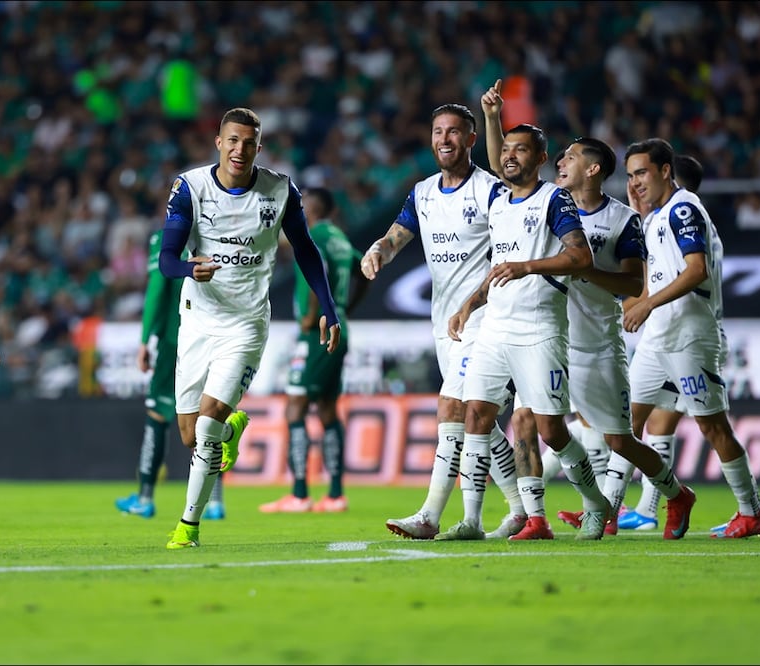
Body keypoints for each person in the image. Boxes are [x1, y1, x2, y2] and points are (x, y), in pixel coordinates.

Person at [481, 85, 697, 540]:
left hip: (595, 344)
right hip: (543, 337)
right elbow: (505, 166)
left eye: (571, 157)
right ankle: (536, 517)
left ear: (593, 169)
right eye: (558, 157)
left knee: (620, 440)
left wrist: (582, 271)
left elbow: (632, 284)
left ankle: (676, 494)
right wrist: (493, 119)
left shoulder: (621, 220)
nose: (561, 163)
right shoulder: (543, 203)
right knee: (524, 420)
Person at [158, 107, 342, 549]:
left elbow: (306, 251)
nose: (240, 149)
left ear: (260, 147)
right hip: (198, 321)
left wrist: (329, 308)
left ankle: (189, 526)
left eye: (249, 142)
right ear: (219, 143)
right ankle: (233, 428)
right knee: (188, 433)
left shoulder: (280, 191)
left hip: (245, 323)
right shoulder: (191, 187)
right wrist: (189, 269)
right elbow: (166, 260)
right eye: (233, 140)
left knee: (205, 426)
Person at [361, 102, 528, 540]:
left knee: (451, 407)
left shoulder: (491, 191)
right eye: (438, 131)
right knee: (481, 421)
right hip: (445, 325)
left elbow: (512, 250)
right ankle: (520, 508)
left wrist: (475, 303)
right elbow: (397, 236)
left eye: (455, 132)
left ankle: (431, 514)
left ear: (471, 140)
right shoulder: (423, 193)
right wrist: (378, 250)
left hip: (487, 319)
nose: (445, 139)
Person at [443, 119, 612, 542]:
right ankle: (471, 521)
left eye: (520, 150)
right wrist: (470, 303)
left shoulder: (555, 200)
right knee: (476, 416)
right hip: (496, 327)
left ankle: (595, 502)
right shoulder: (498, 202)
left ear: (540, 158)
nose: (509, 156)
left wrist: (528, 267)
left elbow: (581, 257)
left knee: (551, 429)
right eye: (505, 150)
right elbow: (500, 263)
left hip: (540, 329)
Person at [623, 138, 760, 539]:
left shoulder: (684, 208)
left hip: (690, 336)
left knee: (713, 427)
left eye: (642, 173)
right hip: (657, 338)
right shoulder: (655, 217)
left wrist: (647, 303)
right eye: (630, 175)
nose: (634, 183)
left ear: (665, 171)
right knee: (623, 422)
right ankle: (608, 509)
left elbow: (696, 271)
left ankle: (751, 510)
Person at [259, 187, 368, 514]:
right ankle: (334, 494)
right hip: (339, 327)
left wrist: (312, 311)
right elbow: (363, 270)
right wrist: (345, 308)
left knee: (295, 408)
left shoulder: (313, 236)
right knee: (328, 409)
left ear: (310, 209)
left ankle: (300, 493)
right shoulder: (338, 237)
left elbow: (313, 268)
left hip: (315, 332)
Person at [114, 228, 227, 520]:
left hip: (175, 340)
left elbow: (157, 289)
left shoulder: (166, 237)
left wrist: (144, 339)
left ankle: (144, 498)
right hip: (216, 337)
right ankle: (214, 502)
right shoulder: (220, 232)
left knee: (158, 416)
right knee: (210, 417)